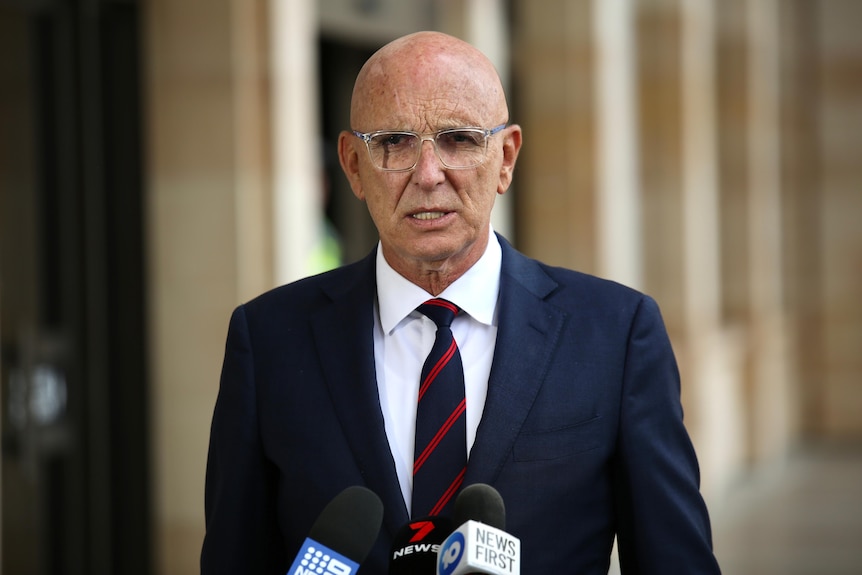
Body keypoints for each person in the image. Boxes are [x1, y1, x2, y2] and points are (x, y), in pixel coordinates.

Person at [201, 31, 721, 574]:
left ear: (506, 158)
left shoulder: (616, 335)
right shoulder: (268, 341)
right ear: (353, 165)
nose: (428, 175)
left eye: (459, 139)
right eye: (395, 142)